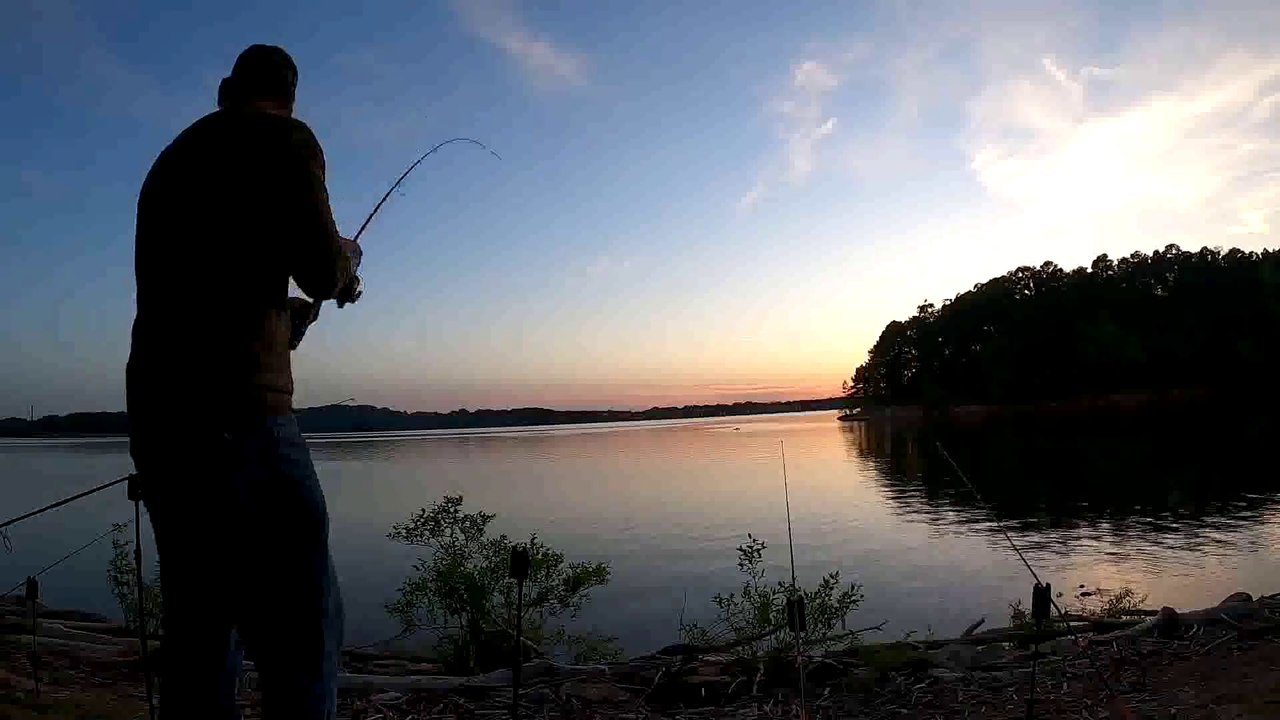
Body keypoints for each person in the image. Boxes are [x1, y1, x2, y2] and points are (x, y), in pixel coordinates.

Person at [126, 44, 359, 719]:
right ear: (289, 97)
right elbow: (320, 267)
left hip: (163, 421)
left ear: (227, 88)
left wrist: (282, 321)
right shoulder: (285, 138)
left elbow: (204, 296)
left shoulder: (171, 162)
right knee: (307, 627)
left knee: (201, 628)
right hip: (243, 423)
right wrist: (344, 269)